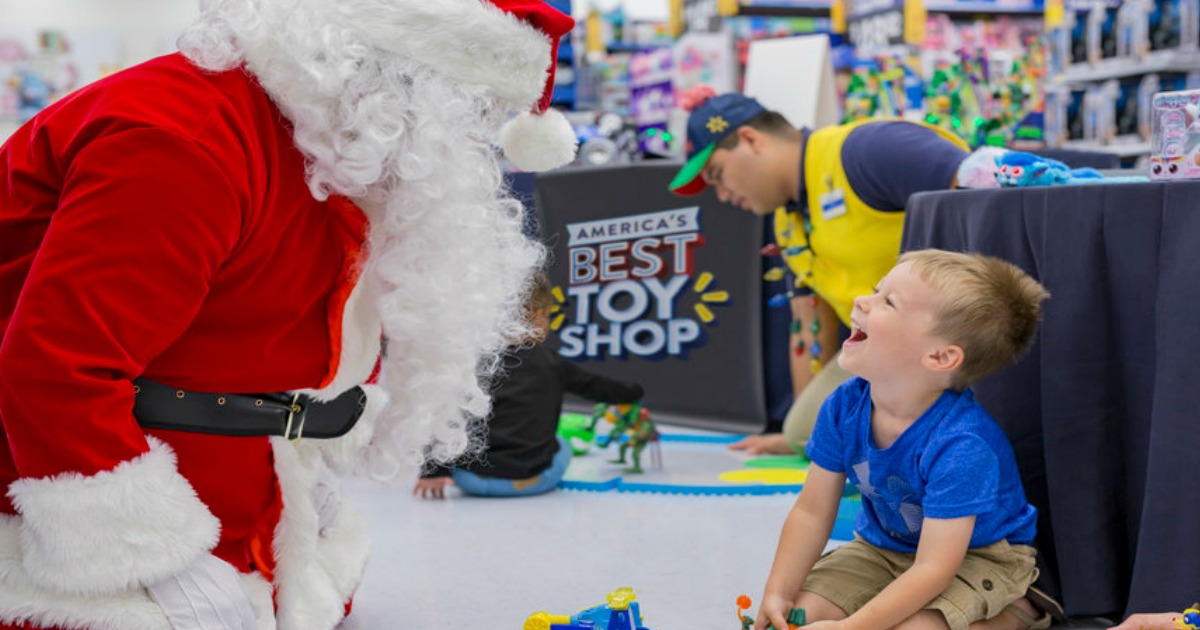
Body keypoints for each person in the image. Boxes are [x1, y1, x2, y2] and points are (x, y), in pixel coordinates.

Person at [0, 0, 579, 628]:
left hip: (249, 498)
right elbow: (57, 370)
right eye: (469, 110)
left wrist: (306, 460)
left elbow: (286, 325)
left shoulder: (335, 151)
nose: (471, 142)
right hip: (69, 516)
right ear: (391, 75)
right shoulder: (180, 141)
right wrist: (147, 557)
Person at [753, 249, 1059, 630]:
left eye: (888, 302)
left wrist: (853, 627)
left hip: (976, 558)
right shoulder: (844, 406)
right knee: (800, 616)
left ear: (940, 356)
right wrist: (778, 591)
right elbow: (812, 512)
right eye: (875, 290)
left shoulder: (962, 445)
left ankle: (1015, 612)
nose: (861, 301)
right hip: (883, 549)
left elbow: (934, 568)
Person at [667, 87, 972, 457]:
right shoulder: (786, 222)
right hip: (883, 354)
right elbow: (809, 324)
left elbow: (984, 190)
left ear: (750, 140)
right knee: (805, 431)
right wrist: (803, 429)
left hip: (953, 336)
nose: (723, 195)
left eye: (717, 175)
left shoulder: (865, 150)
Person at [412, 272, 644, 499]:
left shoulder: (474, 366)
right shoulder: (553, 363)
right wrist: (634, 392)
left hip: (473, 481)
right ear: (537, 315)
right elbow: (598, 387)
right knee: (563, 444)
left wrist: (433, 471)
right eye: (549, 317)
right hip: (538, 480)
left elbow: (446, 417)